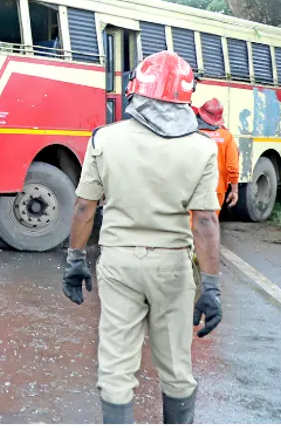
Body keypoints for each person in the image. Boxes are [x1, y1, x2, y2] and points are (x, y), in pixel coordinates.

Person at [62, 51, 223, 424]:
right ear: (187, 96)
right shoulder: (201, 148)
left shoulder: (105, 139)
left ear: (136, 90)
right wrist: (211, 286)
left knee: (116, 372)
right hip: (172, 266)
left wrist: (74, 261)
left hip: (119, 264)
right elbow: (204, 223)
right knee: (177, 370)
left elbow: (85, 208)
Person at [194, 98, 240, 214]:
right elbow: (232, 166)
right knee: (209, 225)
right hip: (217, 188)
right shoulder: (226, 136)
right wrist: (234, 190)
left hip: (192, 186)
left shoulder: (191, 133)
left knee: (190, 225)